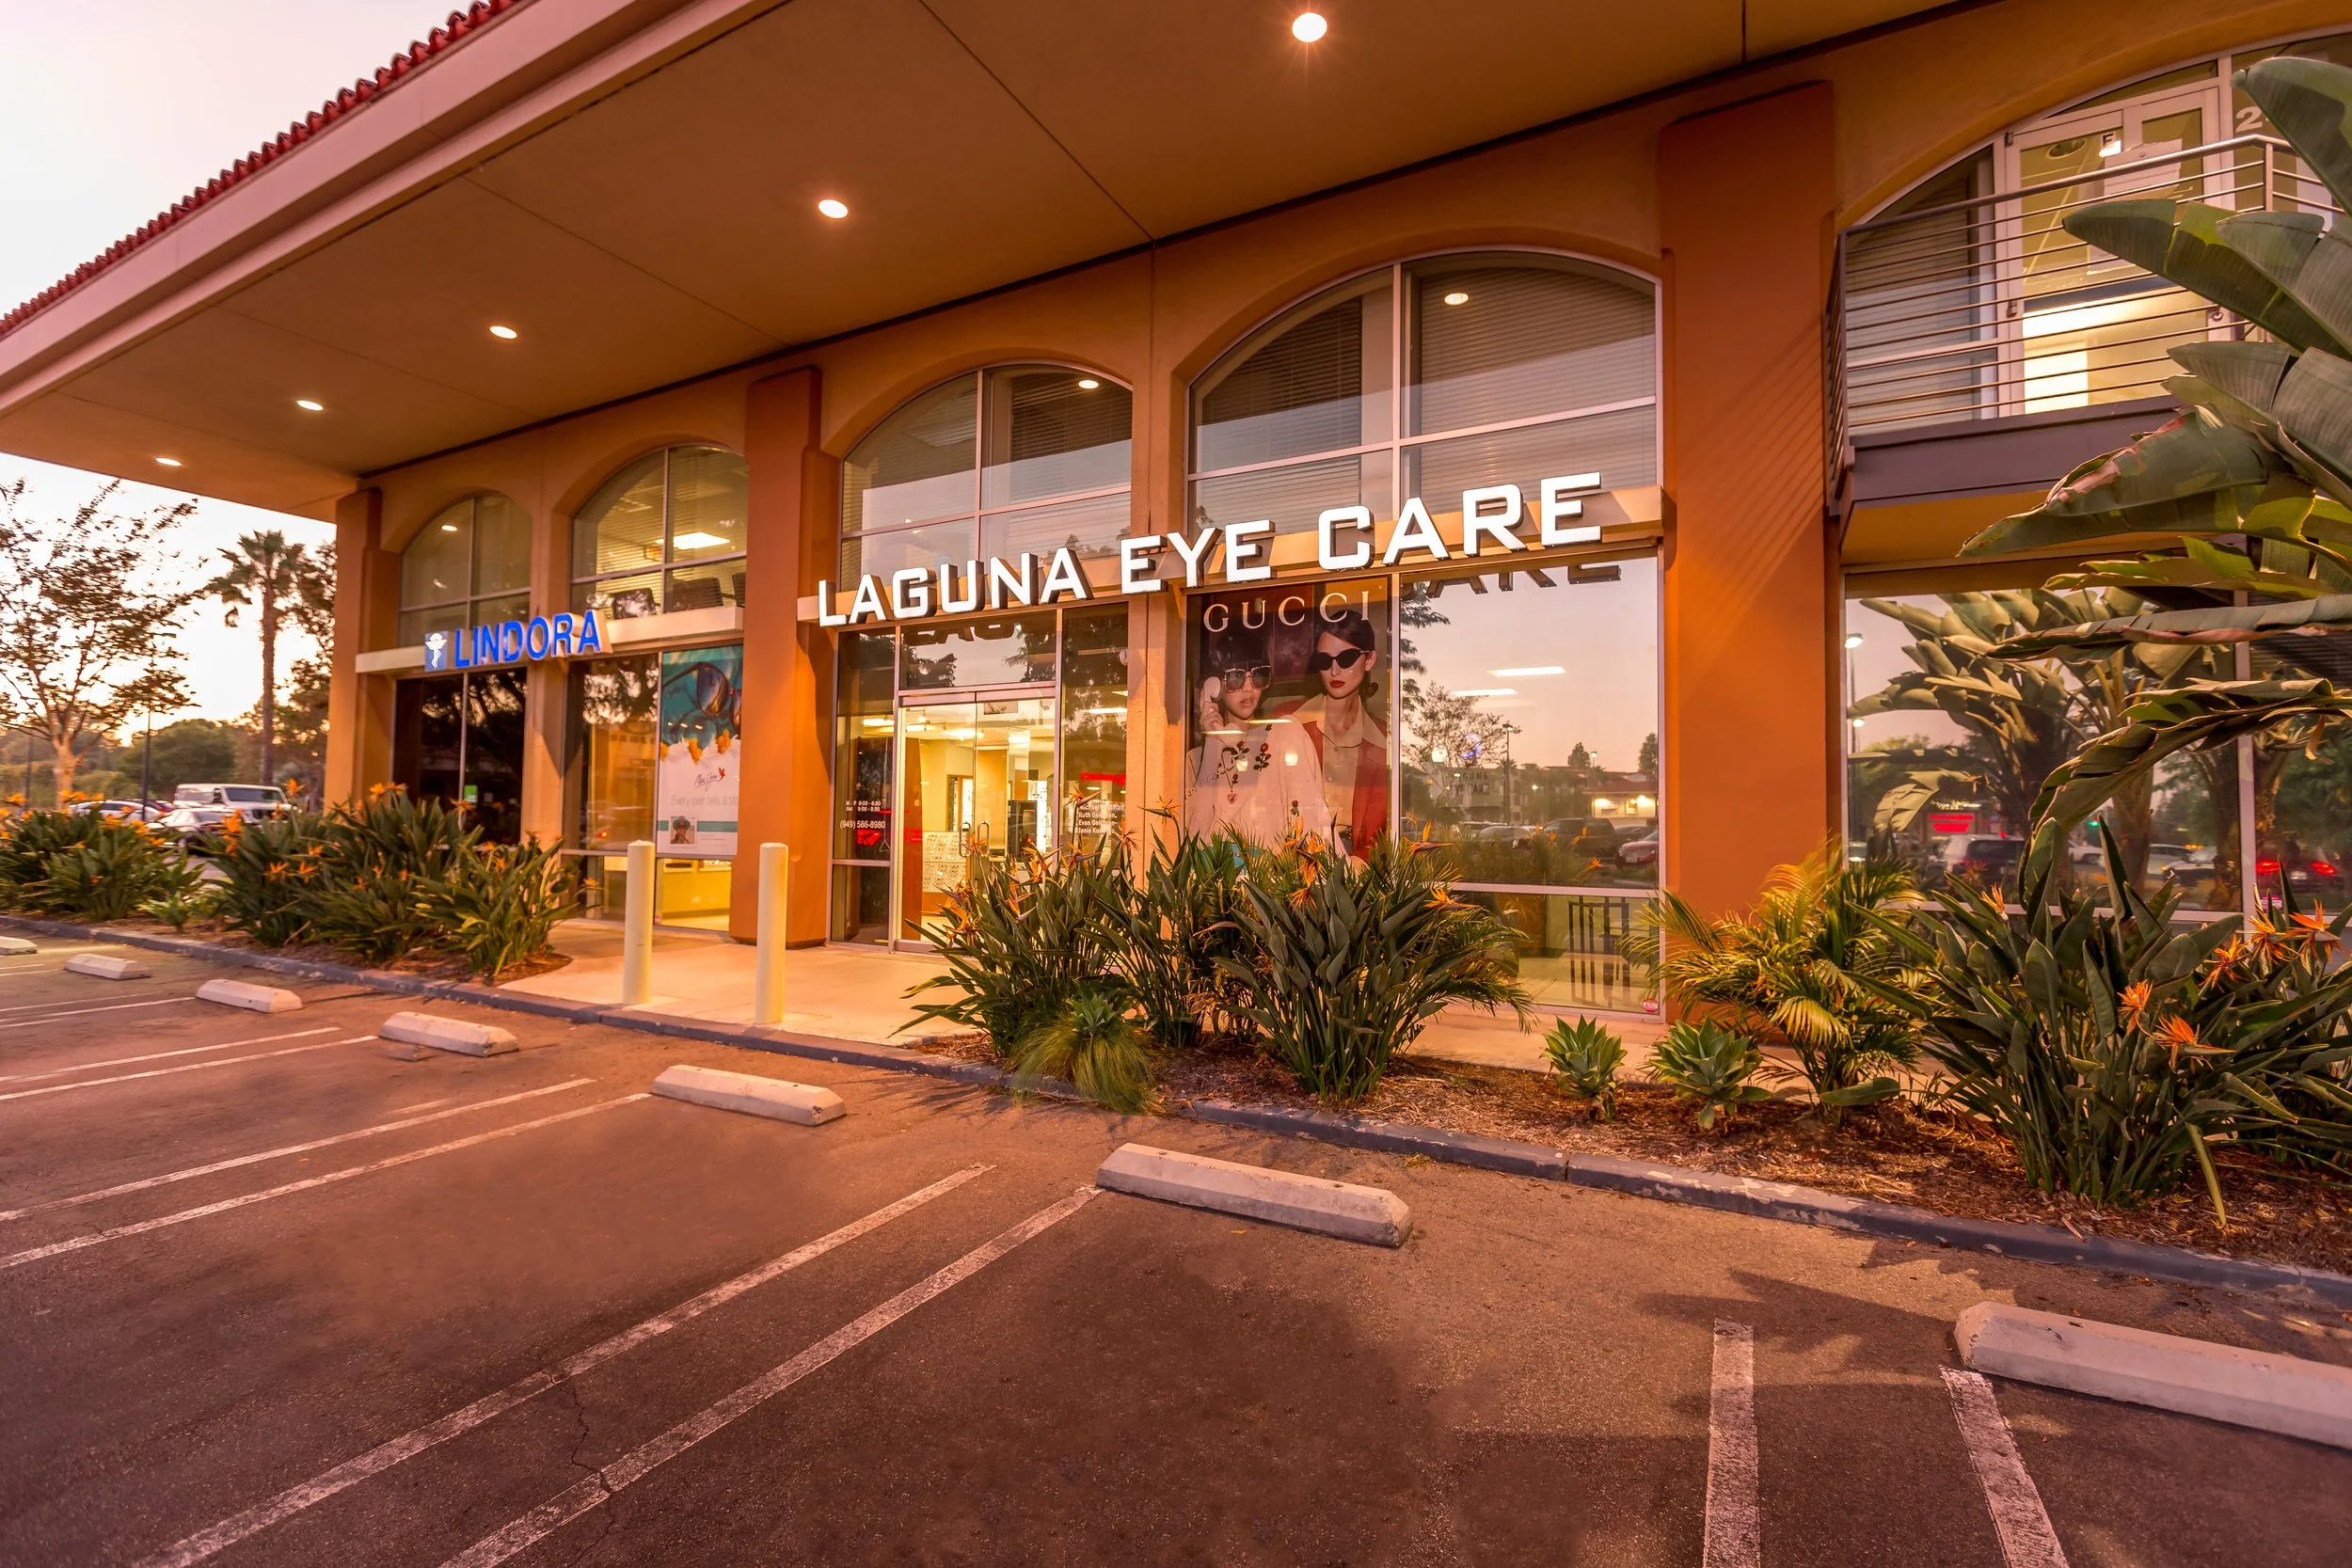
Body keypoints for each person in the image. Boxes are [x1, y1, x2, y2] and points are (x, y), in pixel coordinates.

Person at [1185, 620, 1331, 843]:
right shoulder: (1195, 761)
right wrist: (1214, 741)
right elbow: (1193, 840)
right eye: (1235, 677)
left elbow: (1312, 825)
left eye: (1257, 676)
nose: (1247, 687)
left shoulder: (1283, 735)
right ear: (1214, 686)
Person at [1292, 607, 1390, 856]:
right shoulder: (1290, 726)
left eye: (1346, 658)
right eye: (1324, 661)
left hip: (1361, 868)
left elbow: (1383, 830)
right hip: (1297, 860)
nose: (1334, 671)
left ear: (1369, 660)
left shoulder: (1384, 740)